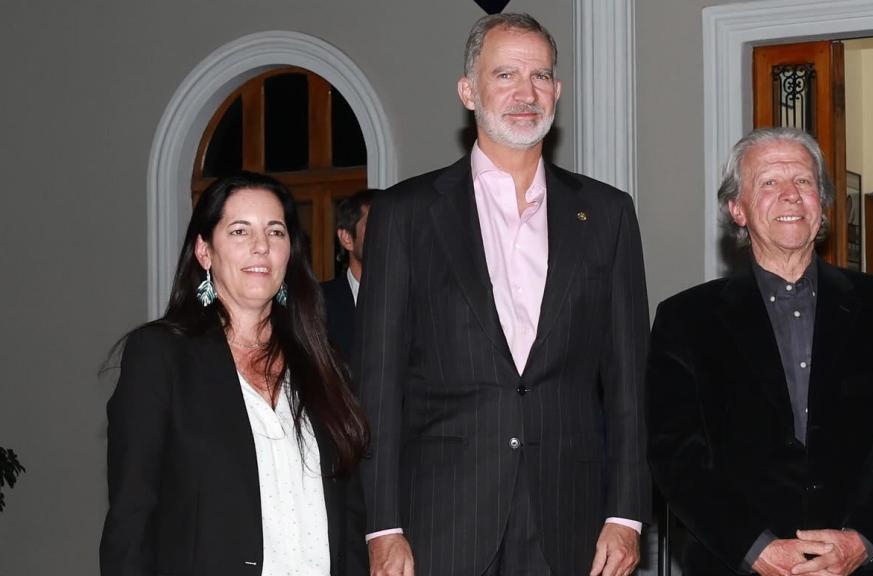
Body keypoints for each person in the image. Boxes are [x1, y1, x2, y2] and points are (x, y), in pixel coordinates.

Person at [353, 12, 650, 576]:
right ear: (469, 90)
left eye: (540, 76)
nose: (525, 93)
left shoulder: (607, 214)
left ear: (557, 91)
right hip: (441, 520)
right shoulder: (405, 215)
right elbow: (378, 381)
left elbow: (630, 379)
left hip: (572, 521)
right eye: (505, 74)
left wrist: (628, 514)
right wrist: (383, 525)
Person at [647, 127, 873, 576]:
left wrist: (863, 540)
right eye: (768, 182)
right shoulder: (685, 319)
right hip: (736, 564)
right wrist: (755, 549)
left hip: (861, 565)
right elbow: (676, 455)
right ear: (737, 209)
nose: (790, 195)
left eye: (803, 182)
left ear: (822, 205)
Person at [100, 172, 370, 576]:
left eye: (275, 232)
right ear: (204, 251)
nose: (261, 246)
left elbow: (350, 505)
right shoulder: (161, 355)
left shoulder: (320, 357)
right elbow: (131, 515)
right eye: (240, 231)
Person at [322, 189, 376, 356]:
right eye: (375, 225)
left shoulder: (417, 299)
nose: (388, 235)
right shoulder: (317, 302)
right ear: (347, 238)